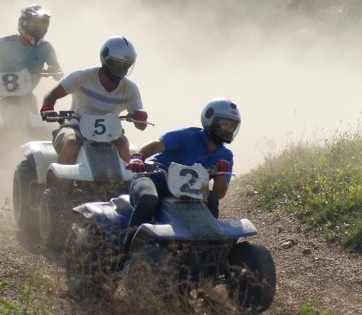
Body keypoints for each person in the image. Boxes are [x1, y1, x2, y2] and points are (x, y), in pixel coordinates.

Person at [122, 98, 241, 253]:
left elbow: (219, 194)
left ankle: (208, 248)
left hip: (188, 191)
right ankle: (127, 255)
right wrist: (138, 158)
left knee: (211, 199)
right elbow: (157, 144)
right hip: (154, 179)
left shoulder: (226, 155)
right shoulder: (187, 135)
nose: (228, 129)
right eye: (225, 124)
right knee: (148, 199)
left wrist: (220, 175)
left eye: (232, 126)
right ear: (210, 121)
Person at [39, 36, 148, 164]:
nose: (121, 68)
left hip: (111, 132)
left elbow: (141, 126)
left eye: (126, 65)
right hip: (75, 127)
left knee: (123, 145)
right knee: (71, 143)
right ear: (105, 57)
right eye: (116, 63)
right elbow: (52, 95)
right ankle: (59, 177)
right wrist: (47, 108)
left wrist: (141, 116)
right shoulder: (82, 76)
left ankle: (125, 177)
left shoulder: (130, 88)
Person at [0, 4, 62, 113]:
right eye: (34, 25)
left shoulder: (46, 48)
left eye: (42, 25)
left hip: (26, 94)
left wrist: (56, 72)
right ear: (23, 24)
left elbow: (58, 70)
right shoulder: (3, 43)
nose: (38, 29)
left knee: (35, 111)